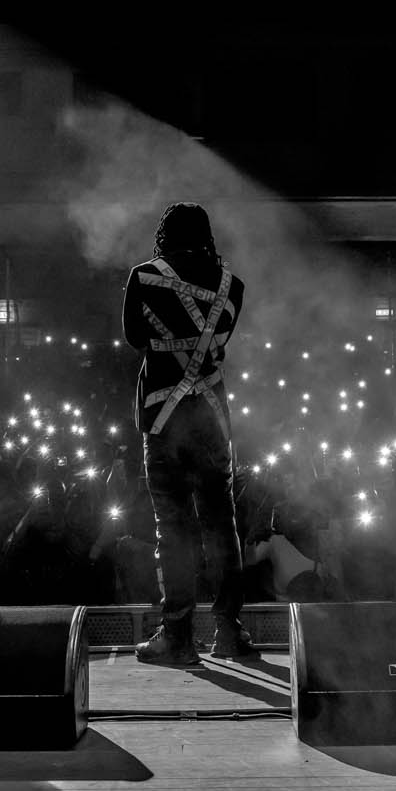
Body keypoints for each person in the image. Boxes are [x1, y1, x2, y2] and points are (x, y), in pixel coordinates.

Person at [122, 203, 252, 665]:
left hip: (163, 418)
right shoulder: (232, 285)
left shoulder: (143, 277)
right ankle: (230, 631)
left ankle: (177, 636)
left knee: (173, 528)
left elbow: (135, 338)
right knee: (222, 525)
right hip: (212, 420)